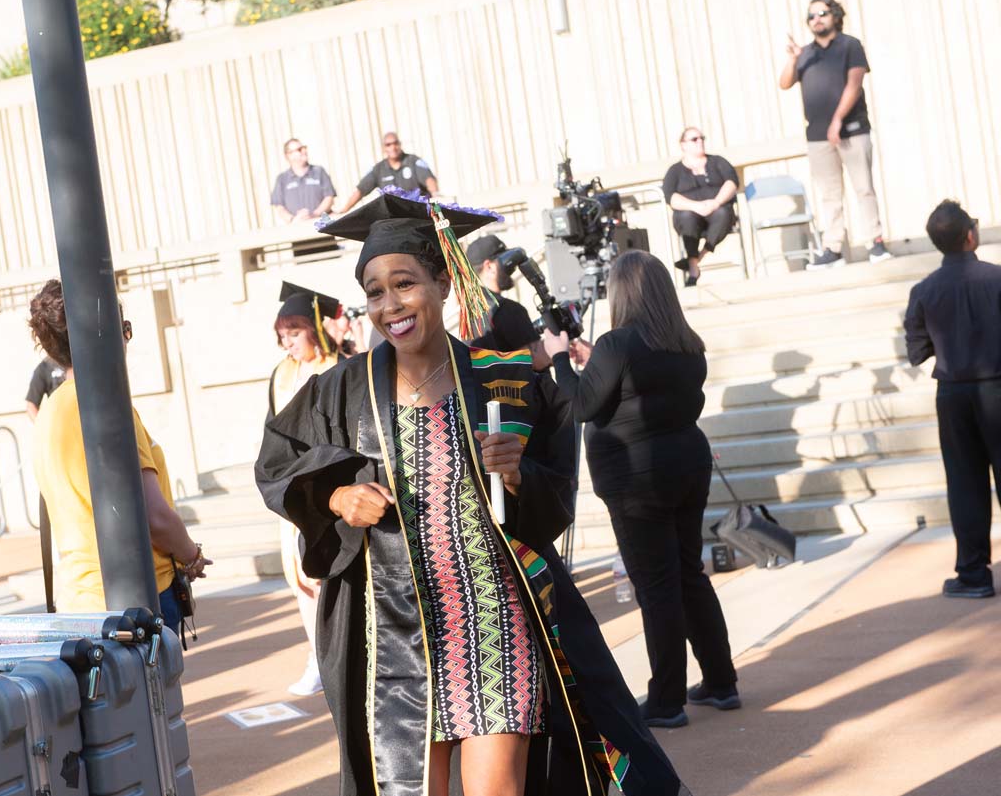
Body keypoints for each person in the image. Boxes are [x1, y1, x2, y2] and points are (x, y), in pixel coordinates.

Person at [257, 191, 686, 796]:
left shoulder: (502, 378)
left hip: (491, 613)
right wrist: (335, 498)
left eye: (404, 283)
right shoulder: (343, 388)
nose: (389, 305)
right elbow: (279, 458)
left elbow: (553, 498)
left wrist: (520, 476)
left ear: (444, 281)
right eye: (374, 292)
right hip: (394, 627)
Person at [544, 250, 738, 729]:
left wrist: (558, 361)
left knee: (656, 587)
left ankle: (666, 700)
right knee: (688, 575)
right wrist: (594, 361)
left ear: (622, 293)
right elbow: (635, 383)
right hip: (687, 466)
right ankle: (720, 681)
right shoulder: (686, 343)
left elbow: (585, 405)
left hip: (636, 477)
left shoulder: (618, 343)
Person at [29, 280, 211, 628]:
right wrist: (192, 556)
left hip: (80, 597)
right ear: (108, 332)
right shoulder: (108, 406)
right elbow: (154, 516)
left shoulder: (49, 412)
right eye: (125, 329)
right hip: (135, 593)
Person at [904, 200, 1001, 599]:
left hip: (954, 393)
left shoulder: (924, 290)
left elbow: (917, 350)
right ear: (970, 235)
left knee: (964, 482)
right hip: (998, 385)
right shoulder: (998, 279)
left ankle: (974, 575)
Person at [269, 281, 343, 695]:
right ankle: (316, 655)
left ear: (315, 329)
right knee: (299, 578)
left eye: (294, 332)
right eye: (282, 334)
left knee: (329, 576)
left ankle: (339, 657)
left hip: (332, 487)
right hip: (293, 488)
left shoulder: (338, 368)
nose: (287, 342)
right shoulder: (282, 374)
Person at [779, 0, 890, 268]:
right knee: (829, 194)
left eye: (822, 13)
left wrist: (837, 120)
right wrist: (793, 59)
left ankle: (874, 243)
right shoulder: (805, 53)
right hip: (817, 136)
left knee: (863, 188)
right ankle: (833, 248)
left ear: (835, 16)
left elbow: (854, 84)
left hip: (851, 131)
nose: (816, 19)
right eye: (811, 16)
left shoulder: (850, 45)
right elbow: (784, 83)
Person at [662, 127, 739, 286]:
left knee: (723, 213)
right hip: (691, 217)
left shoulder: (718, 161)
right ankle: (694, 264)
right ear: (683, 144)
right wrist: (695, 206)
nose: (700, 141)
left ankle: (695, 261)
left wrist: (716, 202)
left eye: (702, 138)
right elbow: (671, 197)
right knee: (686, 216)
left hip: (717, 212)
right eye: (694, 139)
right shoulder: (674, 171)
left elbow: (732, 182)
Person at [464, 234, 542, 354]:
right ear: (489, 267)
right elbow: (538, 360)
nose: (511, 268)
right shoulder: (509, 310)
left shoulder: (469, 312)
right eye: (504, 261)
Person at [339, 132, 438, 213]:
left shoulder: (413, 161)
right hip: (394, 215)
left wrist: (436, 196)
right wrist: (344, 209)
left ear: (400, 144)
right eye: (388, 145)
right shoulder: (378, 169)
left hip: (417, 210)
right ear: (384, 148)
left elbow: (428, 180)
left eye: (395, 143)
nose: (393, 148)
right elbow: (360, 190)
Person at [271, 138, 337, 224]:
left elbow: (329, 198)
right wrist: (293, 219)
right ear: (289, 155)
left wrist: (314, 215)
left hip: (321, 224)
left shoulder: (319, 171)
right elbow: (279, 206)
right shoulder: (282, 179)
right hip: (297, 227)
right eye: (299, 149)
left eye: (304, 148)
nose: (304, 151)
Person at [24, 356, 66, 421]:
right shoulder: (44, 367)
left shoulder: (76, 359)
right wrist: (42, 426)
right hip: (59, 421)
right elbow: (31, 405)